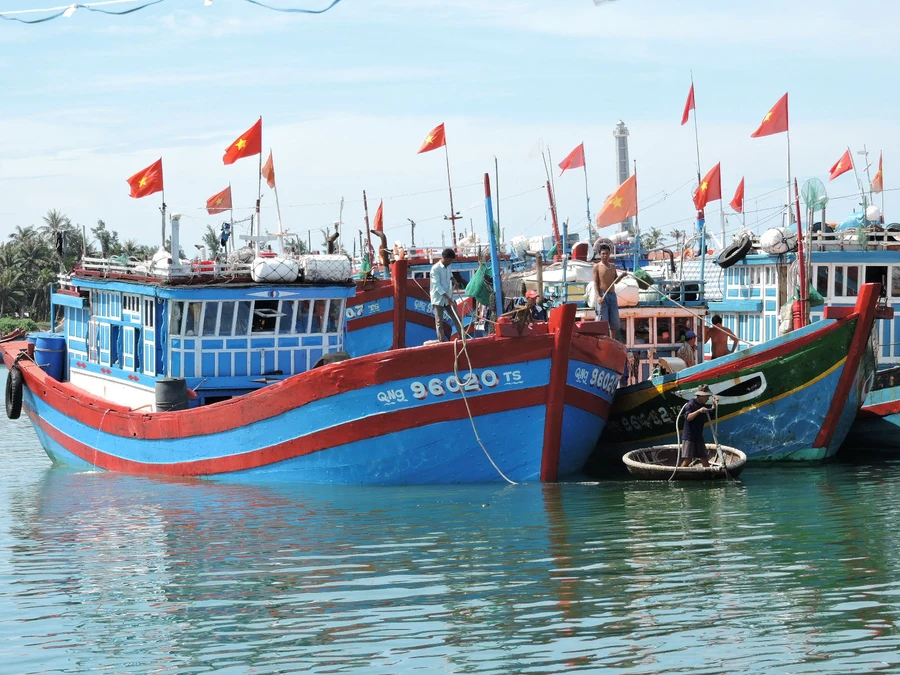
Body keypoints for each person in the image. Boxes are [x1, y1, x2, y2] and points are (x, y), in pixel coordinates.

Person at [592, 244, 627, 339]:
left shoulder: (612, 266)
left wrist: (622, 276)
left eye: (607, 253)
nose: (605, 255)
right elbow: (595, 283)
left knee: (614, 321)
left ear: (609, 254)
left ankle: (612, 340)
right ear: (600, 254)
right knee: (603, 321)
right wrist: (598, 296)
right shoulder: (597, 267)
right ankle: (603, 339)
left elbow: (615, 281)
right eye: (603, 253)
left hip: (612, 296)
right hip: (603, 296)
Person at [430, 248, 465, 341]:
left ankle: (461, 337)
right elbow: (437, 286)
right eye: (449, 260)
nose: (450, 262)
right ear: (444, 257)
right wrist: (448, 297)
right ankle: (442, 342)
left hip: (448, 297)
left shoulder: (448, 266)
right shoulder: (435, 269)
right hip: (438, 299)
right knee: (439, 322)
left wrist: (454, 281)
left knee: (457, 317)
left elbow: (450, 275)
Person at [680, 384, 717, 467]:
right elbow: (688, 417)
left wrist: (714, 405)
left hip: (698, 437)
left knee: (703, 457)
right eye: (707, 396)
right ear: (701, 396)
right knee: (688, 459)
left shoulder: (702, 405)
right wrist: (699, 411)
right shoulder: (691, 404)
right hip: (689, 437)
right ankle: (679, 474)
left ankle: (708, 474)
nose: (708, 398)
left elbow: (711, 416)